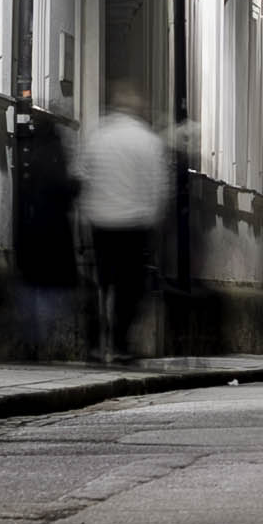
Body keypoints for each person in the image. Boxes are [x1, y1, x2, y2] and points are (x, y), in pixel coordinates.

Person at [76, 85, 172, 364]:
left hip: (101, 220)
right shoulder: (149, 141)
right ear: (138, 108)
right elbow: (160, 186)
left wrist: (86, 210)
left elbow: (82, 175)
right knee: (130, 287)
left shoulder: (97, 136)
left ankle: (95, 343)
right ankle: (119, 343)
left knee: (101, 281)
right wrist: (157, 220)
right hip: (135, 223)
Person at [7, 96, 82, 363]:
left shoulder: (31, 147)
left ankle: (32, 337)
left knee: (33, 283)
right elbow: (58, 186)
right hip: (50, 229)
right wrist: (75, 187)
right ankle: (36, 340)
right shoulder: (53, 149)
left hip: (31, 227)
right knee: (49, 287)